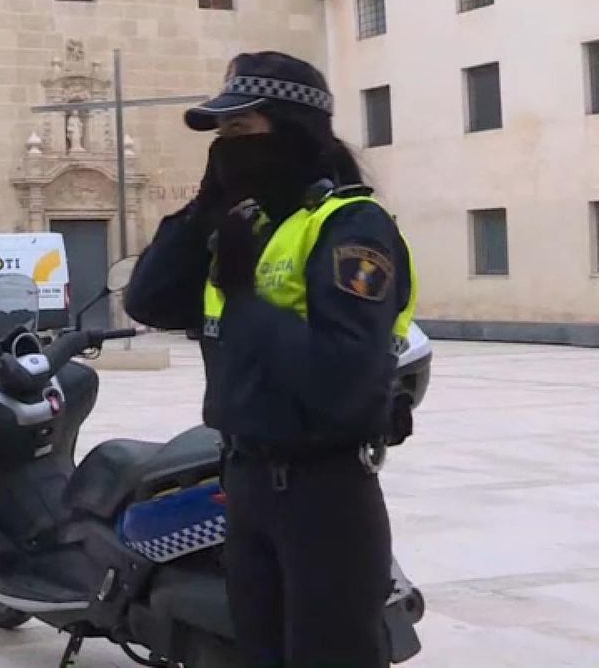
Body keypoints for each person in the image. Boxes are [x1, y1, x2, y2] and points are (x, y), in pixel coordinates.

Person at [124, 52, 416, 668]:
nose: (227, 149)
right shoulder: (246, 225)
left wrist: (245, 296)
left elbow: (338, 376)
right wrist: (206, 203)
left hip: (324, 496)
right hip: (248, 485)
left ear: (291, 132)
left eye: (241, 131)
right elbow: (148, 299)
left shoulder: (351, 227)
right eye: (220, 138)